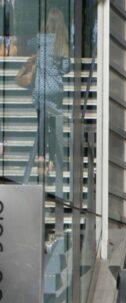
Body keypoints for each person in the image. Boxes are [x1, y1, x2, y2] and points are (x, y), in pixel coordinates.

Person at [21, 7, 70, 194]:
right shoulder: (61, 43)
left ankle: (40, 158)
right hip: (55, 91)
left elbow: (28, 45)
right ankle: (51, 160)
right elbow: (66, 68)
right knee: (53, 126)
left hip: (41, 90)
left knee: (41, 122)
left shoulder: (40, 40)